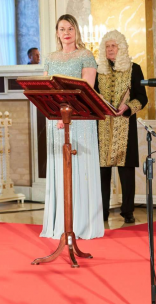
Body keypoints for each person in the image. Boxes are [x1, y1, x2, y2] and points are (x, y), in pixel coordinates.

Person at [41, 14, 104, 240]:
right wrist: (55, 113)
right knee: (60, 166)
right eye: (62, 29)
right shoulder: (50, 57)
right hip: (55, 120)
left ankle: (81, 224)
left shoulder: (86, 55)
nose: (66, 33)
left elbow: (86, 90)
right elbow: (46, 89)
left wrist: (66, 115)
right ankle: (60, 223)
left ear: (76, 31)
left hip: (79, 119)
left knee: (79, 167)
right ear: (57, 33)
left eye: (70, 28)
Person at [94, 30, 147, 223]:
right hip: (102, 126)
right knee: (102, 173)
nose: (110, 49)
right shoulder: (97, 70)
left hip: (125, 125)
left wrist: (128, 107)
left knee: (126, 173)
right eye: (107, 46)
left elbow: (142, 97)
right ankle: (102, 212)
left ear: (121, 48)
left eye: (113, 46)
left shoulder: (134, 69)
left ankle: (128, 212)